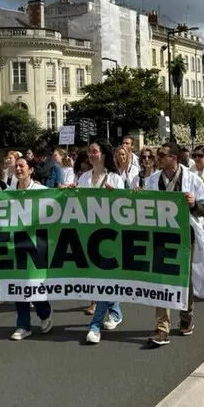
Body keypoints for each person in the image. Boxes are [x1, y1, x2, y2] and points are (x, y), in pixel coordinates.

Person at [146, 142, 204, 347]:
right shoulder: (153, 179)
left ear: (173, 158)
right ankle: (162, 327)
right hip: (161, 235)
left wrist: (193, 204)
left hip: (185, 234)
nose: (157, 158)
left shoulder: (192, 179)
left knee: (184, 278)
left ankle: (186, 317)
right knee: (161, 278)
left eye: (161, 155)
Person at [76, 139, 128, 344]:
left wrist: (114, 196)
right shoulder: (84, 178)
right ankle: (115, 311)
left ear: (104, 155)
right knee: (98, 278)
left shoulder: (115, 178)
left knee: (103, 279)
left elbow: (124, 206)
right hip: (88, 234)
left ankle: (95, 325)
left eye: (94, 151)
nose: (91, 154)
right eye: (89, 151)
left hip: (109, 236)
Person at [8, 156, 52, 341]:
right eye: (16, 166)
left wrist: (66, 190)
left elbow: (60, 201)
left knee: (33, 284)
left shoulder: (41, 191)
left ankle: (45, 313)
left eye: (22, 166)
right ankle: (23, 325)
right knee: (19, 285)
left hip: (37, 245)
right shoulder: (9, 192)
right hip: (16, 245)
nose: (18, 169)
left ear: (31, 170)